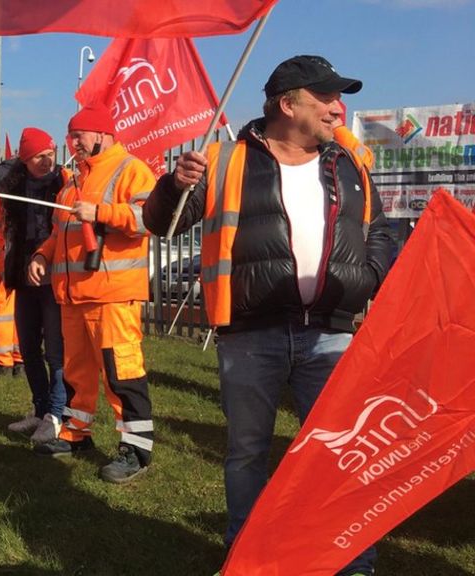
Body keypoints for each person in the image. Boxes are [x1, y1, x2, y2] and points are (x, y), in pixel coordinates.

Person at [142, 55, 394, 576]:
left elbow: (380, 230)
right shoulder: (224, 159)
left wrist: (367, 277)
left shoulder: (347, 161)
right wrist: (174, 185)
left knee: (340, 454)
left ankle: (352, 560)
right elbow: (163, 226)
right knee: (247, 453)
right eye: (326, 98)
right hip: (249, 335)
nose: (338, 109)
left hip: (330, 333)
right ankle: (248, 554)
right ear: (288, 103)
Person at [28, 106, 157, 485]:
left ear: (102, 133)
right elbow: (60, 234)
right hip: (74, 297)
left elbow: (149, 219)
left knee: (122, 373)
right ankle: (76, 433)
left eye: (79, 135)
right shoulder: (73, 184)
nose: (74, 143)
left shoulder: (131, 169)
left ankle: (135, 449)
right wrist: (41, 255)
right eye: (71, 136)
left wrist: (100, 212)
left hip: (113, 297)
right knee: (76, 374)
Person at [0, 127, 68, 443]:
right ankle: (40, 407)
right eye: (38, 157)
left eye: (49, 154)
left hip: (55, 278)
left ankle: (57, 415)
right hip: (21, 276)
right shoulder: (10, 187)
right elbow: (0, 238)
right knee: (28, 348)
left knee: (56, 352)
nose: (46, 161)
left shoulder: (65, 181)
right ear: (25, 159)